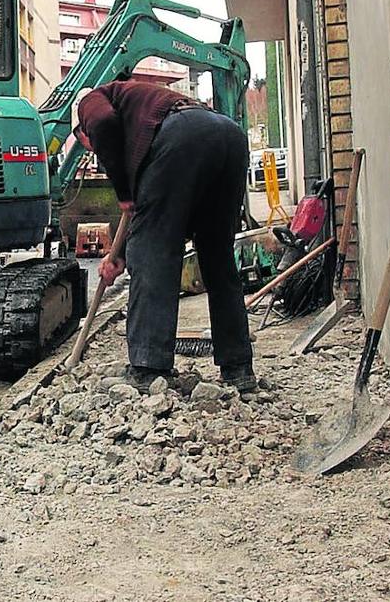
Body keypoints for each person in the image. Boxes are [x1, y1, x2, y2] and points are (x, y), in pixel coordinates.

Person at [73, 79, 257, 393]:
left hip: (183, 137)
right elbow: (148, 212)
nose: (98, 157)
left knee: (152, 256)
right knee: (218, 259)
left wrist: (121, 190)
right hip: (229, 138)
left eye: (90, 149)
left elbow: (103, 123)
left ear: (81, 132)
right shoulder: (139, 111)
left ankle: (147, 366)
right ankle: (238, 368)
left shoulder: (91, 101)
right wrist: (116, 256)